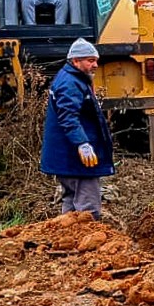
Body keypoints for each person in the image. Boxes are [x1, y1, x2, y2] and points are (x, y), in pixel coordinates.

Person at [40, 37, 114, 219]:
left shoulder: (74, 79)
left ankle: (67, 241)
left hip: (67, 158)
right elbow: (68, 118)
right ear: (75, 61)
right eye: (90, 60)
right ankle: (88, 244)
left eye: (96, 60)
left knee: (71, 203)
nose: (95, 65)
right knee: (87, 208)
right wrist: (83, 144)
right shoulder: (70, 83)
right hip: (76, 159)